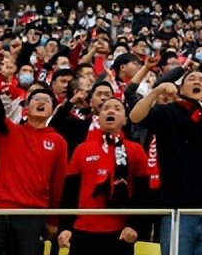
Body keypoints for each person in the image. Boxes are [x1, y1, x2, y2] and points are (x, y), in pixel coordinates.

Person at [129, 67, 202, 255]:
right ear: (181, 88)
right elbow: (135, 116)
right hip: (177, 211)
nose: (197, 82)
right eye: (191, 79)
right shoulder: (167, 112)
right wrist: (157, 91)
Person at [0, 86, 67, 255]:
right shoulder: (8, 130)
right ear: (26, 107)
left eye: (47, 101)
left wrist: (54, 220)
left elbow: (58, 183)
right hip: (1, 210)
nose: (41, 102)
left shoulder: (58, 141)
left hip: (33, 213)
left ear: (52, 110)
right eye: (36, 99)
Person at [58, 97, 148, 255]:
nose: (111, 111)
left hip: (120, 233)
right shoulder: (82, 149)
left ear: (125, 120)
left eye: (117, 108)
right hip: (82, 231)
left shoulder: (135, 150)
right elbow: (70, 192)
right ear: (98, 119)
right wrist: (65, 227)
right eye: (106, 108)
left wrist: (135, 226)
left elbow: (143, 193)